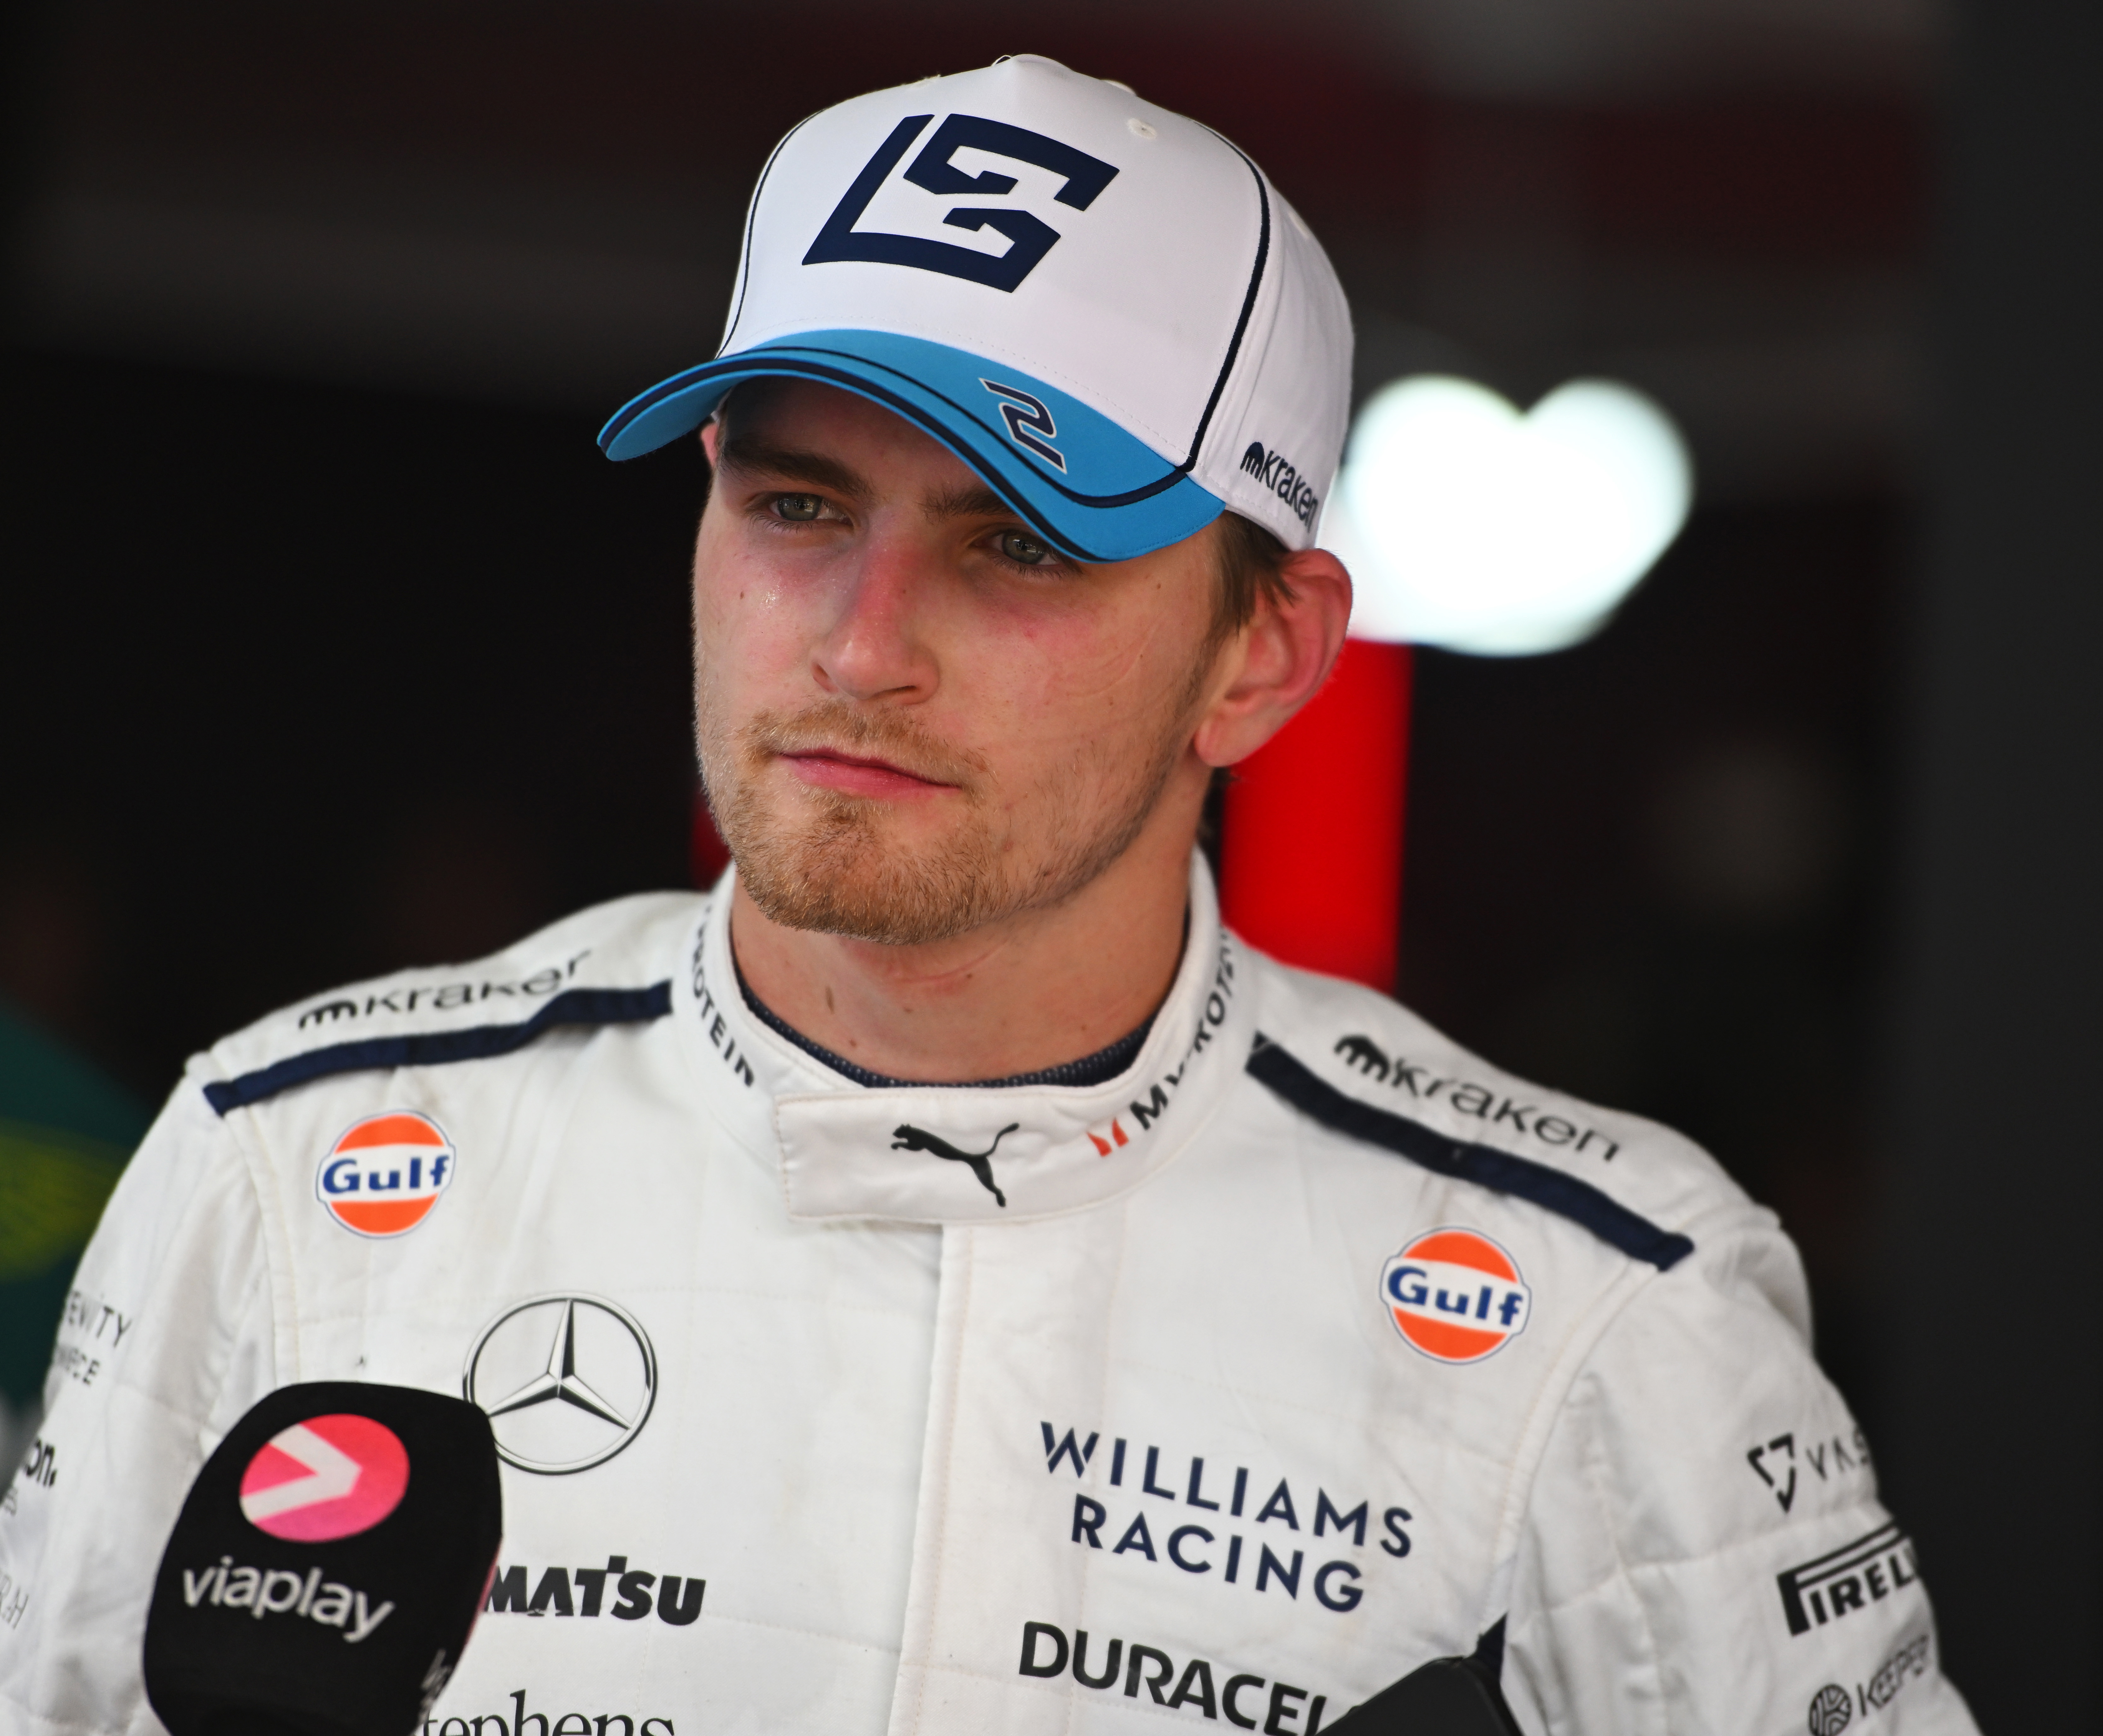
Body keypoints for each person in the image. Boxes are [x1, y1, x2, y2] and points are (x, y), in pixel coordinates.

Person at [0, 56, 1978, 1736]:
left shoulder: (1597, 1298)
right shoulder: (294, 1155)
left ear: (1264, 653)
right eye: (795, 506)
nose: (860, 644)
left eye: (1017, 544)